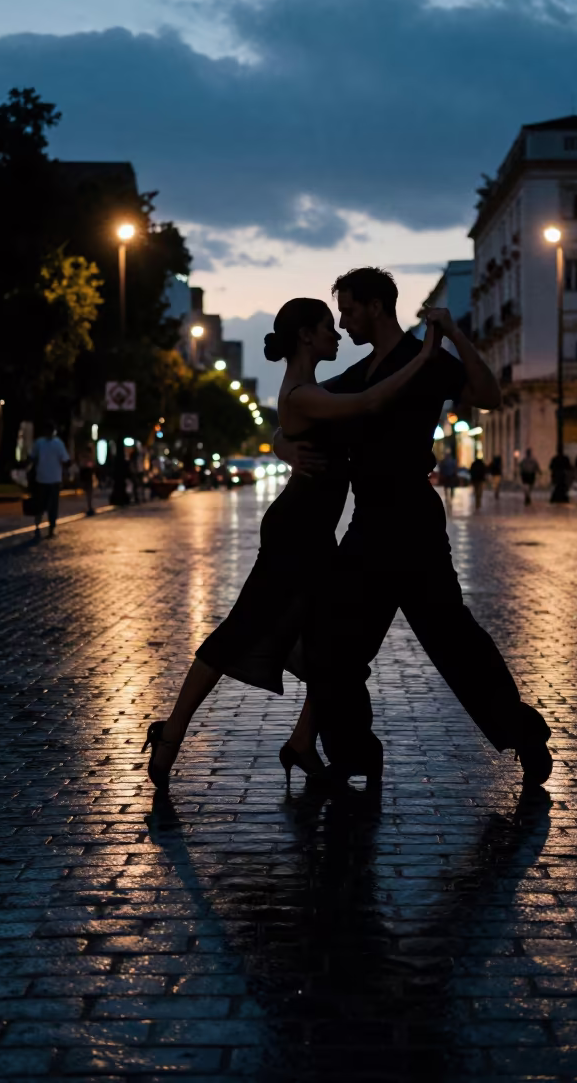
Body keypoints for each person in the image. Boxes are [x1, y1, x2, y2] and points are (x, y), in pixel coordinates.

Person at [142, 296, 437, 790]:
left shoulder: (311, 390)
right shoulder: (301, 392)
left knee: (333, 645)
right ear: (306, 336)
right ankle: (172, 731)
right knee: (240, 631)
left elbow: (302, 426)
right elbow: (366, 403)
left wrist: (281, 442)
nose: (336, 335)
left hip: (318, 536)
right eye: (327, 327)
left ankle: (302, 742)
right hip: (293, 534)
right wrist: (425, 358)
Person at [279, 268, 553, 789]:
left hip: (413, 521)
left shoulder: (424, 362)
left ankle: (523, 735)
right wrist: (282, 445)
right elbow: (295, 409)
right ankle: (354, 750)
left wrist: (452, 332)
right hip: (368, 522)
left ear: (377, 307)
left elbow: (490, 394)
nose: (344, 321)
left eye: (350, 310)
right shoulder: (360, 374)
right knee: (336, 642)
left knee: (455, 639)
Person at [29, 421, 69, 539]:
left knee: (43, 505)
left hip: (47, 479)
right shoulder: (55, 443)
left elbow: (32, 458)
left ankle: (43, 527)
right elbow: (65, 460)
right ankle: (45, 527)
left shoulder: (42, 443)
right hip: (49, 479)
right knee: (48, 505)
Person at [77, 443, 96, 516]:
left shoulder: (83, 457)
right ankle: (89, 507)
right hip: (87, 474)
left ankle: (88, 507)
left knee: (87, 492)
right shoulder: (89, 457)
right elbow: (91, 465)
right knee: (89, 492)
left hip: (85, 474)